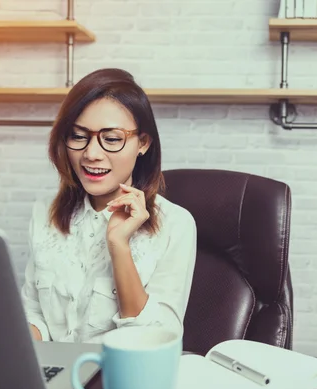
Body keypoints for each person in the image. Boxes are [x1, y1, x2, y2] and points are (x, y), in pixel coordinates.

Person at [20, 68, 197, 343]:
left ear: (143, 143)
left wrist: (118, 245)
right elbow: (33, 312)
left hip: (117, 377)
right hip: (51, 375)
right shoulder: (46, 211)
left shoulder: (176, 224)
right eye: (78, 136)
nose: (91, 154)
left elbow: (156, 337)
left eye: (112, 139)